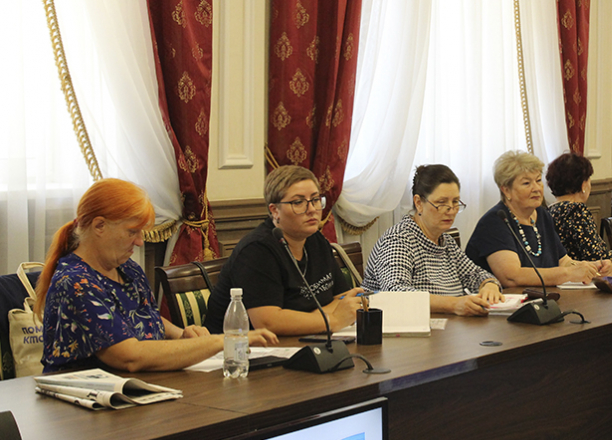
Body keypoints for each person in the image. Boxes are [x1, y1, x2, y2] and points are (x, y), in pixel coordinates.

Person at [36, 179, 278, 373]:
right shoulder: (76, 282)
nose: (140, 242)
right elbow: (130, 357)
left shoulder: (127, 269)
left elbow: (143, 315)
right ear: (99, 226)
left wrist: (181, 334)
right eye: (132, 232)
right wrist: (220, 341)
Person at [205, 166, 364, 335]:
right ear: (275, 211)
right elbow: (268, 322)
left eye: (315, 199)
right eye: (298, 202)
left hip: (306, 339)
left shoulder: (316, 240)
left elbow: (344, 299)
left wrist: (309, 319)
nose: (312, 209)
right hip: (240, 347)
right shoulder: (257, 250)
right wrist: (333, 320)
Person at [364, 165, 504, 316]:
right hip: (404, 326)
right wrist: (453, 304)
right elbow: (396, 293)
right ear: (418, 203)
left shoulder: (446, 241)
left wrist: (489, 285)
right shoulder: (398, 240)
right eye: (442, 202)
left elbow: (475, 275)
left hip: (446, 325)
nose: (451, 210)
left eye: (455, 202)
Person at [465, 150, 612, 287]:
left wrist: (593, 267)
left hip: (543, 299)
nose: (536, 188)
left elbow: (564, 261)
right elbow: (511, 277)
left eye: (538, 180)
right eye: (526, 183)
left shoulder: (541, 215)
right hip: (503, 303)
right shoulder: (495, 222)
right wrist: (568, 274)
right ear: (506, 190)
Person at [546, 153, 612, 267]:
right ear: (583, 185)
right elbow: (594, 256)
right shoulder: (576, 211)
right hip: (579, 275)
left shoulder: (549, 211)